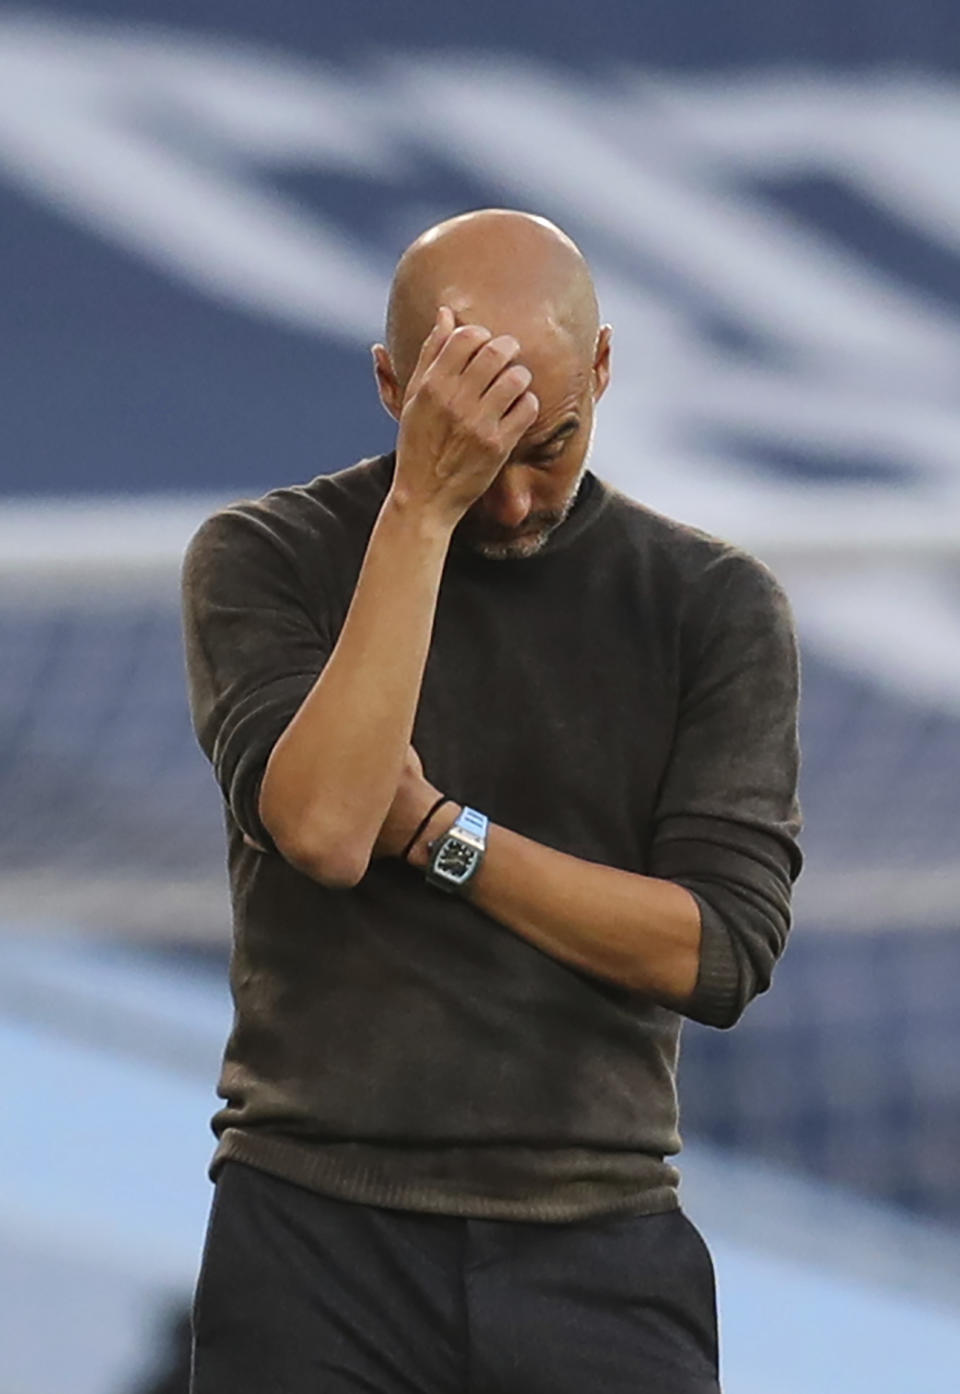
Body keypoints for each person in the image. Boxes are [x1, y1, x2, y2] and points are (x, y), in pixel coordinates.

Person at [181, 207, 802, 1394]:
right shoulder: (266, 556)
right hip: (312, 1228)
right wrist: (421, 507)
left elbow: (718, 950)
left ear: (607, 366)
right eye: (475, 442)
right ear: (390, 387)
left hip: (600, 1237)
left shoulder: (709, 605)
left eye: (550, 442)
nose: (512, 496)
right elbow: (321, 825)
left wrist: (441, 831)